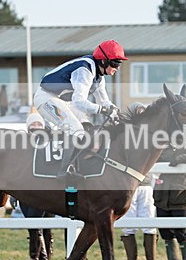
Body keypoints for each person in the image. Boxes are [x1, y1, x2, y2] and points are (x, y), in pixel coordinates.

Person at [33, 39, 127, 175]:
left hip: (63, 101)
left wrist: (114, 110)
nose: (117, 68)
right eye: (115, 63)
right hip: (46, 98)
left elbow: (104, 101)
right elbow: (79, 102)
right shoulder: (84, 70)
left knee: (87, 128)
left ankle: (78, 164)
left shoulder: (99, 77)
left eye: (120, 64)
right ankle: (63, 171)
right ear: (103, 60)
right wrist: (103, 110)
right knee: (76, 129)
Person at [119, 102, 158, 260]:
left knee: (149, 222)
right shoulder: (125, 135)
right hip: (129, 185)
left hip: (146, 184)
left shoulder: (151, 134)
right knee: (129, 224)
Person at [20, 112, 55, 260]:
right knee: (33, 225)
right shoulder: (22, 143)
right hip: (25, 191)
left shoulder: (50, 142)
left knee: (39, 225)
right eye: (32, 125)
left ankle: (39, 258)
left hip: (44, 191)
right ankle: (42, 259)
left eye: (38, 124)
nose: (36, 128)